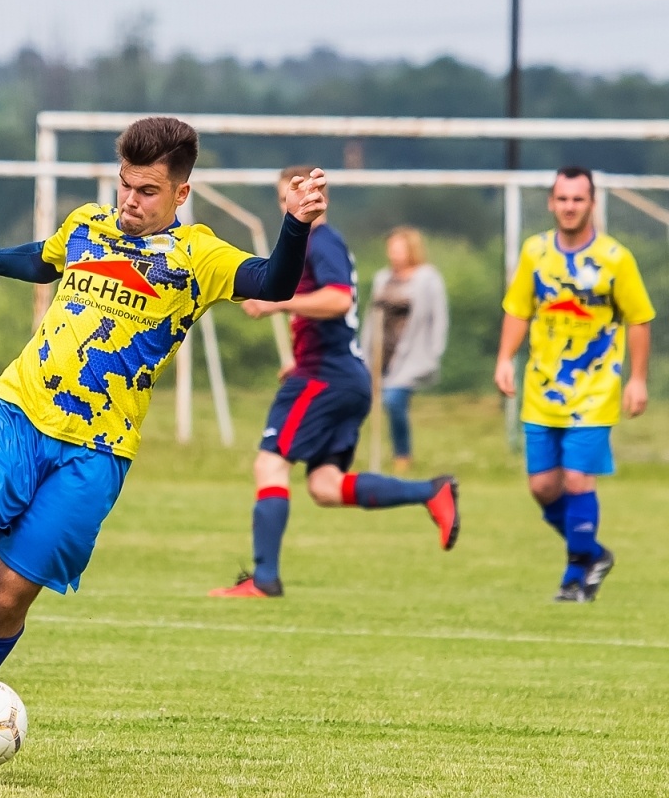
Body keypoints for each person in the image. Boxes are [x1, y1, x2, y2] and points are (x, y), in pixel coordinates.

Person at [0, 117, 324, 776]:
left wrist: (296, 225)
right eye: (123, 185)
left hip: (96, 452)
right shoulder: (89, 225)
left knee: (6, 596)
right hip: (19, 413)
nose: (129, 201)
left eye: (146, 191)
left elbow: (274, 282)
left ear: (181, 194)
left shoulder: (199, 256)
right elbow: (44, 257)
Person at [208, 167, 459, 600]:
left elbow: (339, 298)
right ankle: (431, 491)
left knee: (270, 465)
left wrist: (277, 304)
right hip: (338, 372)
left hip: (326, 375)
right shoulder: (314, 243)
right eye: (289, 193)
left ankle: (264, 580)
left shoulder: (320, 241)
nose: (293, 200)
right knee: (324, 485)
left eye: (302, 191)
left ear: (318, 196)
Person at [495, 166, 654, 603]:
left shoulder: (615, 257)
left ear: (592, 203)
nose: (569, 207)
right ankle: (594, 553)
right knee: (543, 487)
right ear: (551, 203)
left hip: (596, 388)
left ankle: (573, 577)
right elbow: (517, 309)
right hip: (542, 388)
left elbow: (639, 319)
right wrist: (505, 358)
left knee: (579, 479)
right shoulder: (535, 252)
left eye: (577, 199)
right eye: (562, 199)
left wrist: (637, 379)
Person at [366, 226, 449, 472]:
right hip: (383, 352)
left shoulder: (427, 278)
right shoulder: (383, 278)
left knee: (393, 399)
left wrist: (434, 353)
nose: (393, 254)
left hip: (413, 354)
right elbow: (373, 317)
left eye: (399, 248)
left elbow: (439, 316)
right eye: (391, 248)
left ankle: (403, 456)